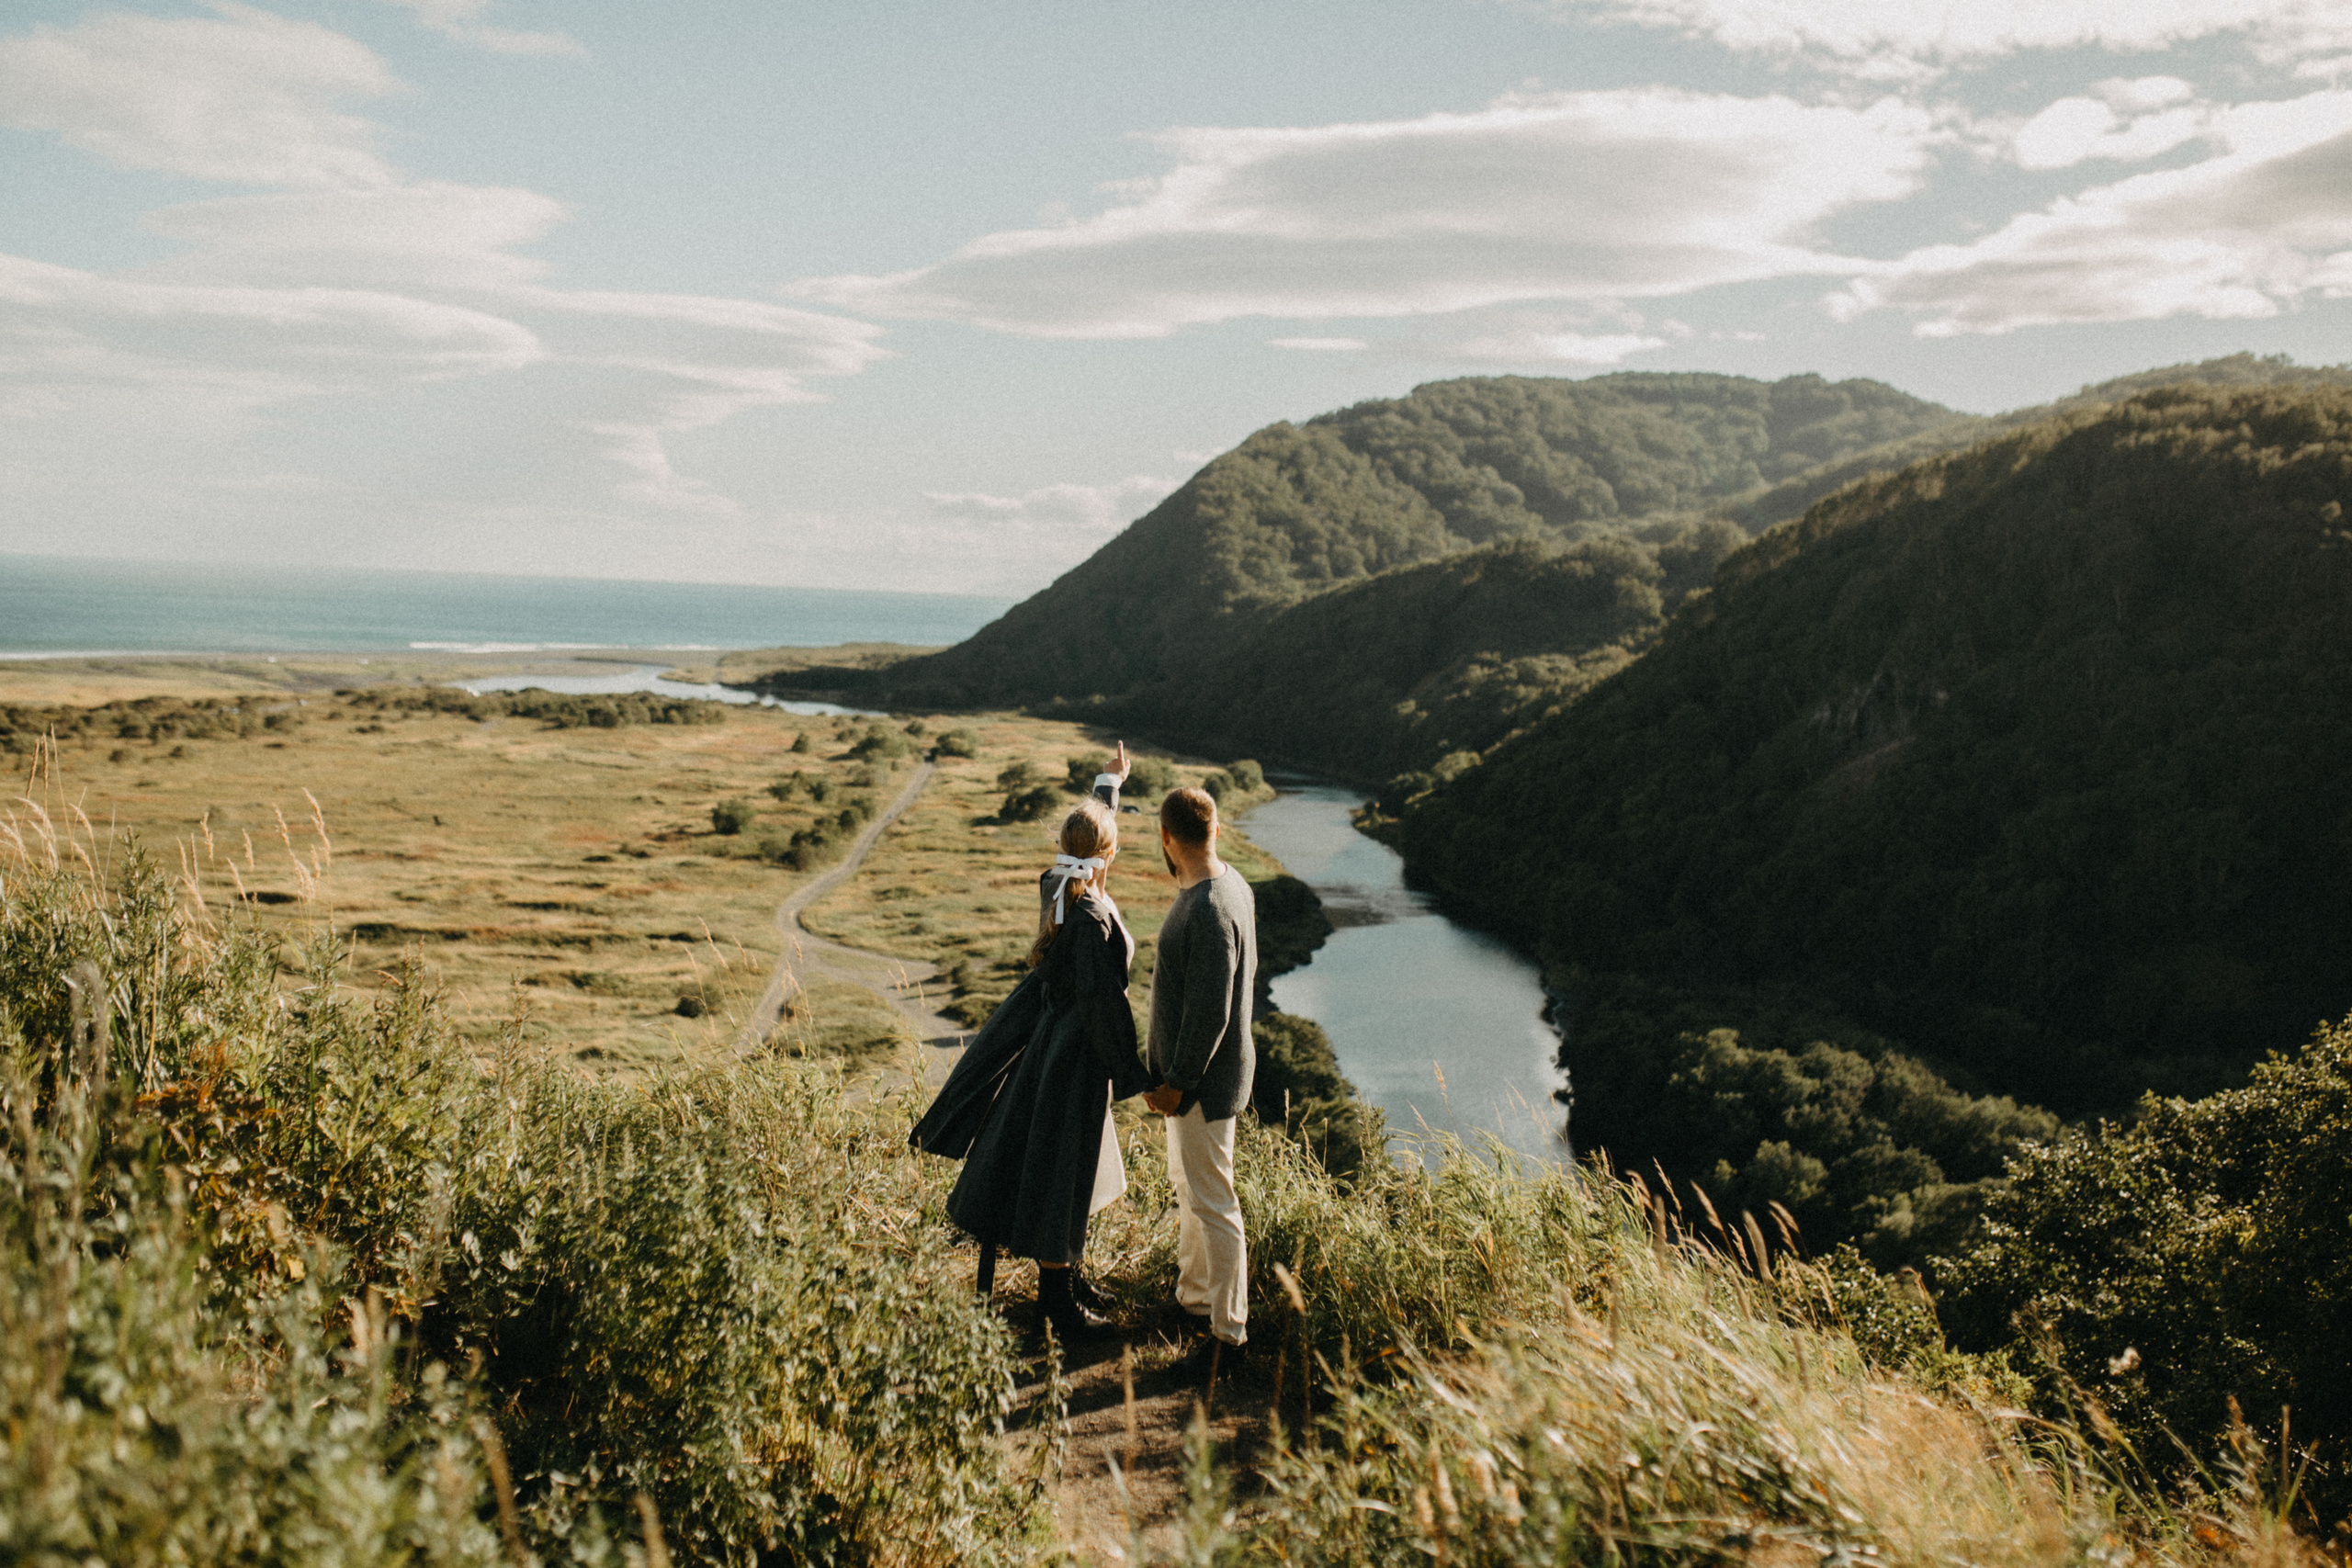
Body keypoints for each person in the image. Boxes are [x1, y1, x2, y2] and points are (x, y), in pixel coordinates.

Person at [909, 745, 1148, 1339]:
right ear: (1109, 856)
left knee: (1078, 1169)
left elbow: (1086, 837)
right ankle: (1056, 1304)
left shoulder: (1058, 884)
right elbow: (1103, 1006)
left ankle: (1068, 1277)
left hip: (1053, 1048)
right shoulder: (1090, 919)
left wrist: (1109, 786)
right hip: (1074, 1060)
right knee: (1065, 1173)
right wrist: (1136, 1076)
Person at [1141, 784, 1256, 1380]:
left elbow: (1211, 1013)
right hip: (1196, 1083)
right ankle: (1193, 1301)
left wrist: (1178, 1082)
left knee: (1214, 1202)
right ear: (1215, 829)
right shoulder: (1227, 885)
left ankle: (1229, 1334)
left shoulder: (1210, 909)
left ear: (1166, 837)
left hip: (1202, 1087)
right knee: (1191, 1190)